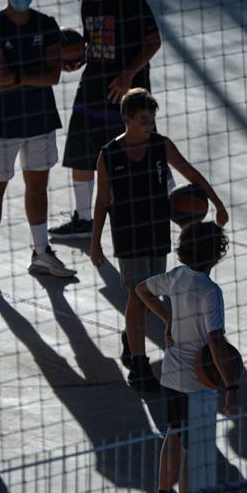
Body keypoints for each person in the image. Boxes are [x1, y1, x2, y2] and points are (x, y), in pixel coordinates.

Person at [89, 88, 228, 392]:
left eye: (151, 120)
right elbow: (102, 202)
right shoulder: (109, 154)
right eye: (143, 121)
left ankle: (131, 338)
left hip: (156, 231)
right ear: (126, 118)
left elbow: (190, 172)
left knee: (150, 294)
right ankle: (139, 367)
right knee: (137, 297)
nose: (149, 126)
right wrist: (95, 241)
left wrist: (217, 203)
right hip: (128, 233)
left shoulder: (160, 146)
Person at [0, 0, 75, 291]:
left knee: (38, 187)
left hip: (40, 119)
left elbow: (53, 75)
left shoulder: (46, 24)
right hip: (3, 123)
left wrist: (17, 75)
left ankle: (41, 251)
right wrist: (27, 76)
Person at [135, 222, 239, 493]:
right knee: (196, 457)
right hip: (198, 383)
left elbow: (141, 290)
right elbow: (217, 341)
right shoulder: (210, 292)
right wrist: (231, 386)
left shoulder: (177, 277)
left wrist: (168, 320)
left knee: (173, 436)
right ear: (218, 254)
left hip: (171, 374)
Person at [51, 0, 161, 240]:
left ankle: (145, 213)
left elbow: (153, 41)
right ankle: (84, 219)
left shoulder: (131, 1)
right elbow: (95, 47)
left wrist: (128, 74)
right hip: (93, 89)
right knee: (80, 153)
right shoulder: (88, 5)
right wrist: (76, 59)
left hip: (127, 95)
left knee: (136, 153)